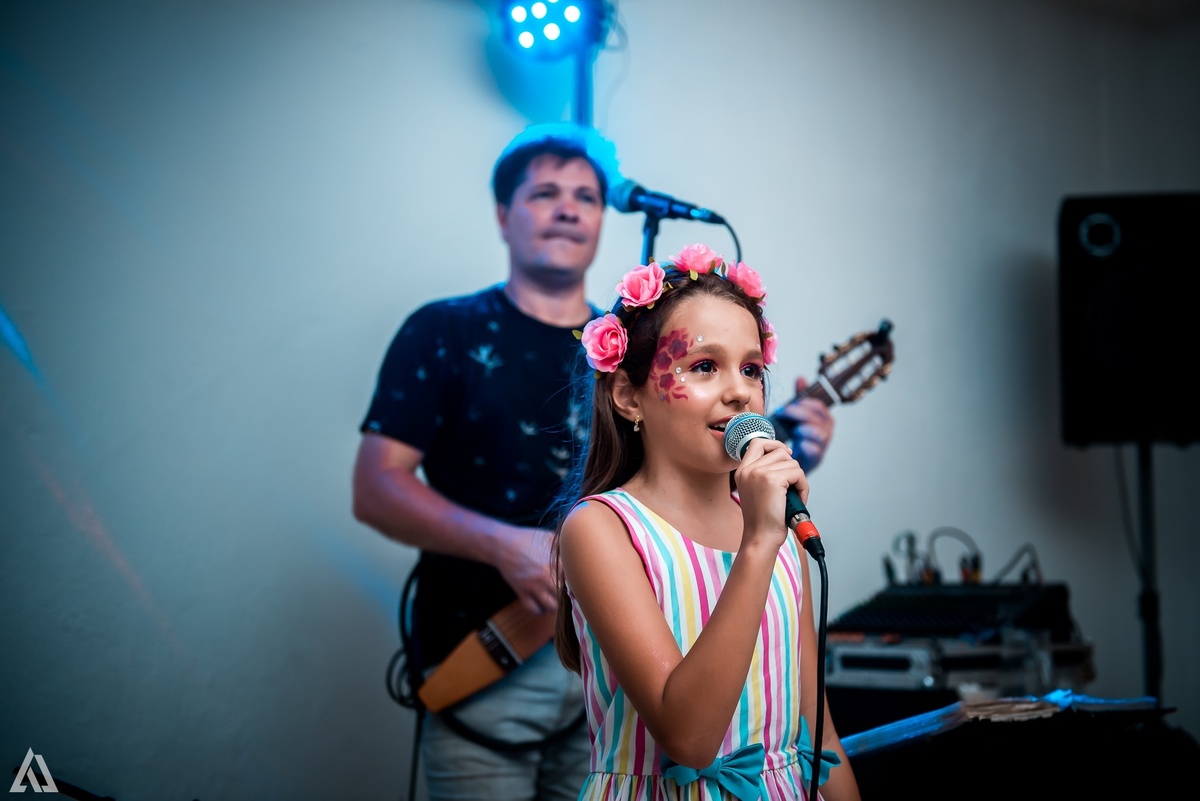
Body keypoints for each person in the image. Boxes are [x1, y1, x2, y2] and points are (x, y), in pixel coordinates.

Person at [351, 122, 839, 801]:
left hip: (620, 677)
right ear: (503, 213)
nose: (569, 207)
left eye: (586, 195)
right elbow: (375, 486)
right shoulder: (447, 330)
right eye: (545, 192)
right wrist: (509, 544)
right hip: (490, 654)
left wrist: (773, 444)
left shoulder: (637, 343)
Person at [552, 249, 861, 800]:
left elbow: (819, 730)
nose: (740, 391)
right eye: (703, 367)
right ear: (629, 397)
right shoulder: (603, 529)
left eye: (751, 369)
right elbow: (690, 738)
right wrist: (760, 542)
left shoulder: (779, 528)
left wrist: (769, 532)